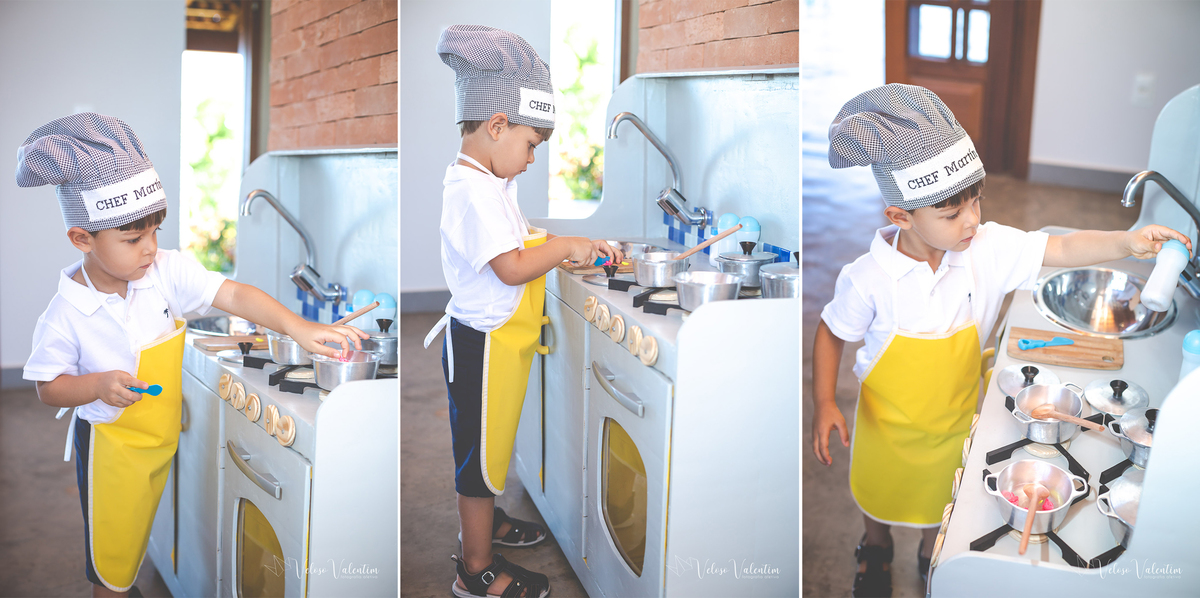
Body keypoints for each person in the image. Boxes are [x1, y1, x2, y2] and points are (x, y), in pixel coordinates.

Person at [809, 84, 1190, 598]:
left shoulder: (985, 249)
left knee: (941, 500)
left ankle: (930, 551)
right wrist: (826, 401)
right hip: (887, 427)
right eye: (951, 213)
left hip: (952, 419)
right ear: (899, 216)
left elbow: (1060, 245)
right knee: (879, 497)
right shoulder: (867, 278)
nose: (972, 220)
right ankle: (874, 547)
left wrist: (1126, 241)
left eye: (975, 200)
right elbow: (832, 333)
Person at [16, 112, 369, 598]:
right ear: (82, 239)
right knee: (111, 558)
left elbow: (237, 296)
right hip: (110, 449)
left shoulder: (163, 271)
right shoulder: (65, 313)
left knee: (135, 542)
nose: (149, 249)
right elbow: (46, 385)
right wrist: (96, 386)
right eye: (133, 239)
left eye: (155, 231)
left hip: (158, 441)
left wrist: (299, 327)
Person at [421, 24, 621, 598]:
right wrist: (561, 248)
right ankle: (474, 570)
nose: (533, 160)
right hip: (482, 344)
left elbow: (516, 238)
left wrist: (565, 242)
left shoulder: (490, 181)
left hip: (496, 341)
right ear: (497, 125)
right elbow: (509, 266)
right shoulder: (470, 190)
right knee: (478, 461)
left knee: (493, 443)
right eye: (532, 145)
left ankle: (486, 526)